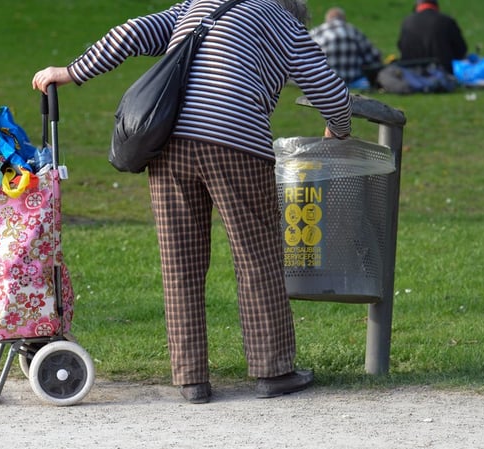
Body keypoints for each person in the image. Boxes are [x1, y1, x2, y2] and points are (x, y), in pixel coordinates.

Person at [31, 0, 352, 404]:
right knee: (257, 256)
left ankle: (191, 380)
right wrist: (337, 128)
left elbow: (131, 32)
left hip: (169, 145)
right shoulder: (282, 21)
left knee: (180, 261)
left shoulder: (195, 6)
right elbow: (329, 87)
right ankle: (274, 372)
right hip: (236, 144)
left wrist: (71, 72)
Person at [309, 7, 382, 89]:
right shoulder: (353, 31)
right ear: (344, 19)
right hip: (354, 81)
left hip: (325, 82)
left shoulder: (317, 31)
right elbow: (373, 56)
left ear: (327, 19)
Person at [397, 0, 467, 74]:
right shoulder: (447, 21)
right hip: (443, 70)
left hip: (411, 71)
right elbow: (461, 50)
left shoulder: (407, 22)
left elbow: (401, 47)